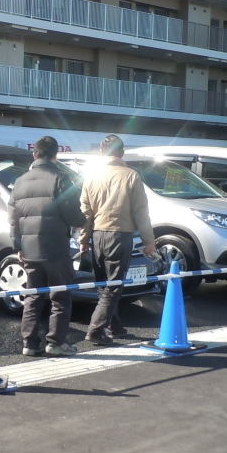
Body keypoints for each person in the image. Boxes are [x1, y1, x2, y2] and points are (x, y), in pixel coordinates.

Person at [9, 135, 86, 357]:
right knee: (60, 296)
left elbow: (13, 219)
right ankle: (55, 343)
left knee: (33, 296)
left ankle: (29, 344)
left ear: (35, 154)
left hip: (29, 249)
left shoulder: (20, 181)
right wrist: (84, 222)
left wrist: (18, 246)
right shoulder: (60, 178)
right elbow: (72, 214)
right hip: (56, 249)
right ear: (55, 155)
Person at [79, 134, 157, 345]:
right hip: (119, 235)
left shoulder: (91, 176)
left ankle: (114, 326)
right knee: (114, 285)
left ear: (101, 153)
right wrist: (149, 241)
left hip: (97, 235)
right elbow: (141, 212)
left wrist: (84, 240)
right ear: (122, 152)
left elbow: (85, 212)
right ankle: (96, 329)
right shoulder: (131, 176)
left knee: (103, 284)